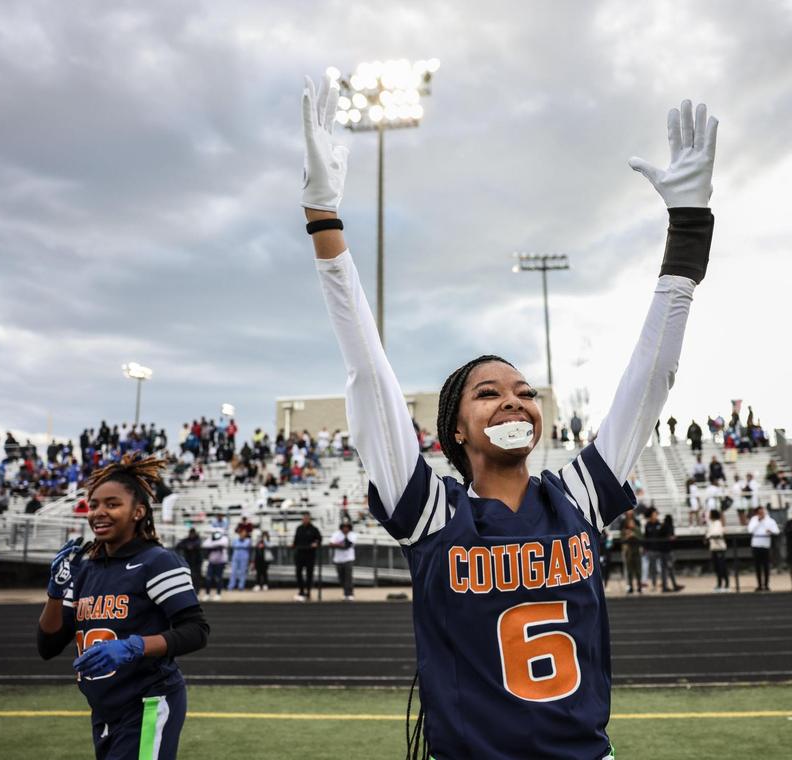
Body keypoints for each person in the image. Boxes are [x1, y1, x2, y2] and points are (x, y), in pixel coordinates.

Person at [303, 71, 718, 759]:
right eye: (488, 393)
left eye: (524, 390)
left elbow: (653, 375)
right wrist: (324, 218)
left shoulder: (577, 497)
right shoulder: (432, 514)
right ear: (456, 430)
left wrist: (689, 229)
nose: (515, 400)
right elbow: (367, 371)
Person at [36, 454, 209, 760]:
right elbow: (48, 644)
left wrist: (133, 646)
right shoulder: (87, 569)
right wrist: (55, 591)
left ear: (138, 512)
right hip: (105, 710)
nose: (99, 513)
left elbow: (196, 631)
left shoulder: (156, 562)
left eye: (112, 504)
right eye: (94, 505)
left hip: (148, 703)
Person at [747, 505, 779, 591]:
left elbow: (777, 531)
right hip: (756, 545)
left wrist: (771, 531)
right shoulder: (754, 520)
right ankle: (759, 584)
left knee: (766, 566)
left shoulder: (770, 520)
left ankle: (766, 584)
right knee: (757, 566)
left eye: (762, 511)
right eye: (759, 512)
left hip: (765, 545)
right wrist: (759, 521)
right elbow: (750, 530)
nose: (761, 513)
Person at [292, 512, 321, 601]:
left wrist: (316, 543)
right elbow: (295, 540)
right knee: (298, 573)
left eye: (307, 518)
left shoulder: (314, 529)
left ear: (309, 519)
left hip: (310, 555)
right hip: (300, 554)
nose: (305, 520)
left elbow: (319, 539)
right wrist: (293, 545)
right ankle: (301, 591)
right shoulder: (299, 528)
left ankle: (308, 591)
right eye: (304, 518)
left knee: (309, 574)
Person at [330, 522, 357, 600]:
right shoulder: (336, 534)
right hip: (338, 559)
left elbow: (347, 545)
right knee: (341, 577)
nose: (345, 529)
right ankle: (345, 592)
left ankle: (350, 593)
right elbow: (331, 544)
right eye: (344, 527)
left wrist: (338, 544)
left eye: (347, 527)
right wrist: (340, 545)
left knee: (348, 577)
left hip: (349, 559)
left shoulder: (352, 534)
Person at [201, 530, 228, 601]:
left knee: (218, 579)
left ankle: (218, 594)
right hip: (212, 562)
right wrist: (215, 546)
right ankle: (207, 594)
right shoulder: (210, 539)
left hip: (220, 562)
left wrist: (212, 546)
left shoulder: (224, 538)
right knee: (208, 578)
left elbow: (223, 544)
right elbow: (204, 545)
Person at [660, 514, 684, 592]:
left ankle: (666, 586)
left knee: (665, 569)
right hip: (668, 550)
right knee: (669, 569)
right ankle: (671, 585)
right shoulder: (669, 527)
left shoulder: (663, 526)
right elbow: (671, 537)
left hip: (663, 550)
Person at [620, 513, 643, 594]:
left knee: (638, 570)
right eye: (630, 523)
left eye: (632, 522)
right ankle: (630, 586)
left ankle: (639, 586)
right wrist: (627, 536)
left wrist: (634, 535)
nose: (631, 524)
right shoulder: (624, 531)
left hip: (636, 551)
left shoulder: (637, 529)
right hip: (628, 552)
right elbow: (622, 540)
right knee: (629, 571)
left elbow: (641, 538)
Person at [706, 509, 729, 591]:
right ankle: (719, 583)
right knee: (717, 567)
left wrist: (709, 536)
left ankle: (726, 583)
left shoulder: (718, 523)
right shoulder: (711, 524)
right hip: (714, 547)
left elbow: (717, 533)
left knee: (721, 567)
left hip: (719, 548)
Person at [227, 527, 252, 591]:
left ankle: (241, 586)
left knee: (242, 572)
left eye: (244, 533)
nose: (243, 534)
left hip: (244, 558)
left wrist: (240, 545)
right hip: (235, 557)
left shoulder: (248, 540)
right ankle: (231, 586)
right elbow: (233, 546)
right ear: (239, 533)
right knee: (233, 572)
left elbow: (245, 546)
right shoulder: (235, 540)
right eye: (242, 533)